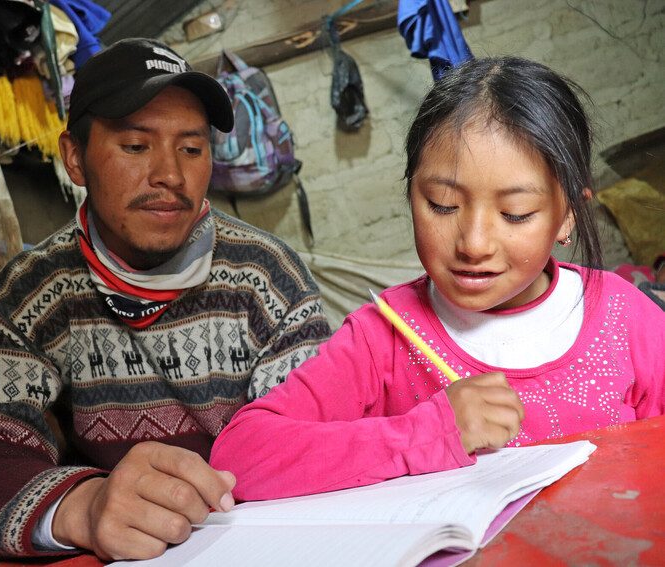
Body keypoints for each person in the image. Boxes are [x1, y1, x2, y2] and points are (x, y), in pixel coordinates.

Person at [0, 37, 331, 561]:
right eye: (136, 146)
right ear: (74, 158)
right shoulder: (30, 295)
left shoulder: (269, 278)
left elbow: (312, 440)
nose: (170, 175)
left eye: (192, 148)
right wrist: (85, 508)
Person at [210, 56, 665, 501]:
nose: (474, 243)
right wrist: (426, 433)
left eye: (515, 213)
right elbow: (239, 458)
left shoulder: (624, 317)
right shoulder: (382, 337)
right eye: (443, 205)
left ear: (567, 215)